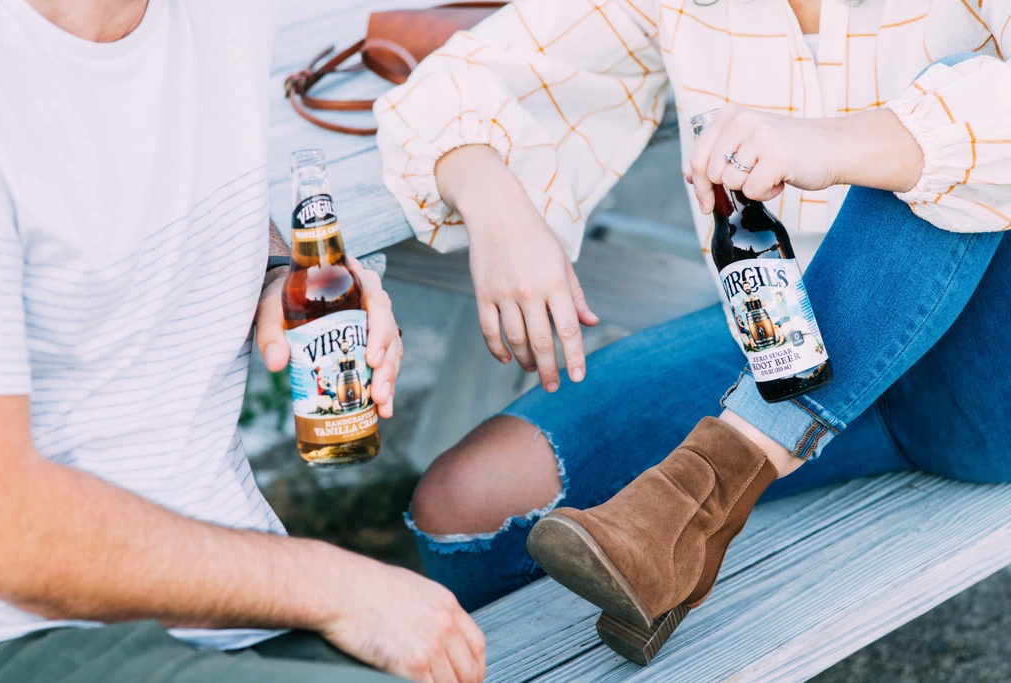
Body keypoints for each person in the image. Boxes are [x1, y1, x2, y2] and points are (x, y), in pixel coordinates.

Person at [371, 0, 1011, 635]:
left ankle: (718, 478)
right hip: (784, 340)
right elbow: (458, 78)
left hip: (977, 377)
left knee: (955, 113)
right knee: (464, 501)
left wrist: (841, 142)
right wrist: (496, 205)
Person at [0, 1, 484, 682]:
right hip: (32, 629)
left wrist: (282, 276)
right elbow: (8, 529)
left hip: (233, 598)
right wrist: (337, 584)